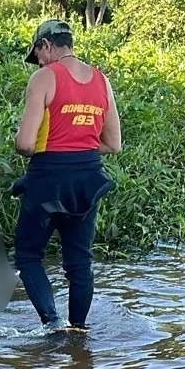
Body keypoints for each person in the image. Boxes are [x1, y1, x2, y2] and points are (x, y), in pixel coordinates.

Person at [13, 19, 122, 333]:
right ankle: (79, 330)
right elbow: (113, 144)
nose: (40, 62)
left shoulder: (44, 78)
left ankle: (53, 324)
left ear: (46, 45)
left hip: (48, 177)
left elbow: (25, 144)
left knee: (28, 254)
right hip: (89, 179)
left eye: (39, 54)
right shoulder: (102, 81)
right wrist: (79, 146)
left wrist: (37, 142)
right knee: (80, 262)